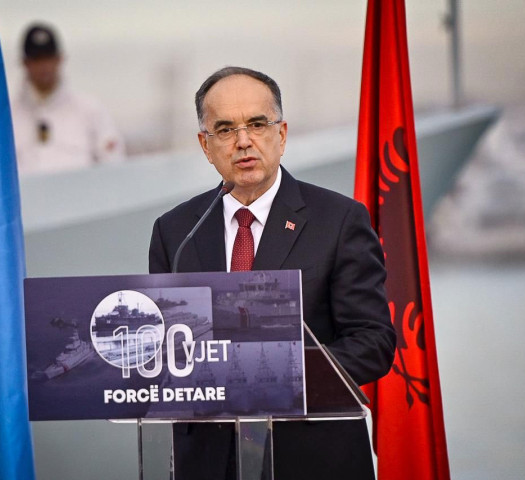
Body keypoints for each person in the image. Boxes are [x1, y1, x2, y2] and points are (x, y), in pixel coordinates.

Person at [149, 67, 396, 480]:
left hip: (312, 457)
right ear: (206, 146)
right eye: (225, 129)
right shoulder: (176, 231)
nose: (243, 141)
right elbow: (163, 350)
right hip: (209, 461)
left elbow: (373, 342)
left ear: (281, 135)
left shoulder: (338, 220)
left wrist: (280, 375)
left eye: (257, 124)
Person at [11, 23, 125, 175]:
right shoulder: (8, 116)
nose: (44, 66)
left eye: (48, 58)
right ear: (25, 63)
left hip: (82, 190)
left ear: (60, 59)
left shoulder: (90, 110)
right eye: (37, 59)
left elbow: (114, 165)